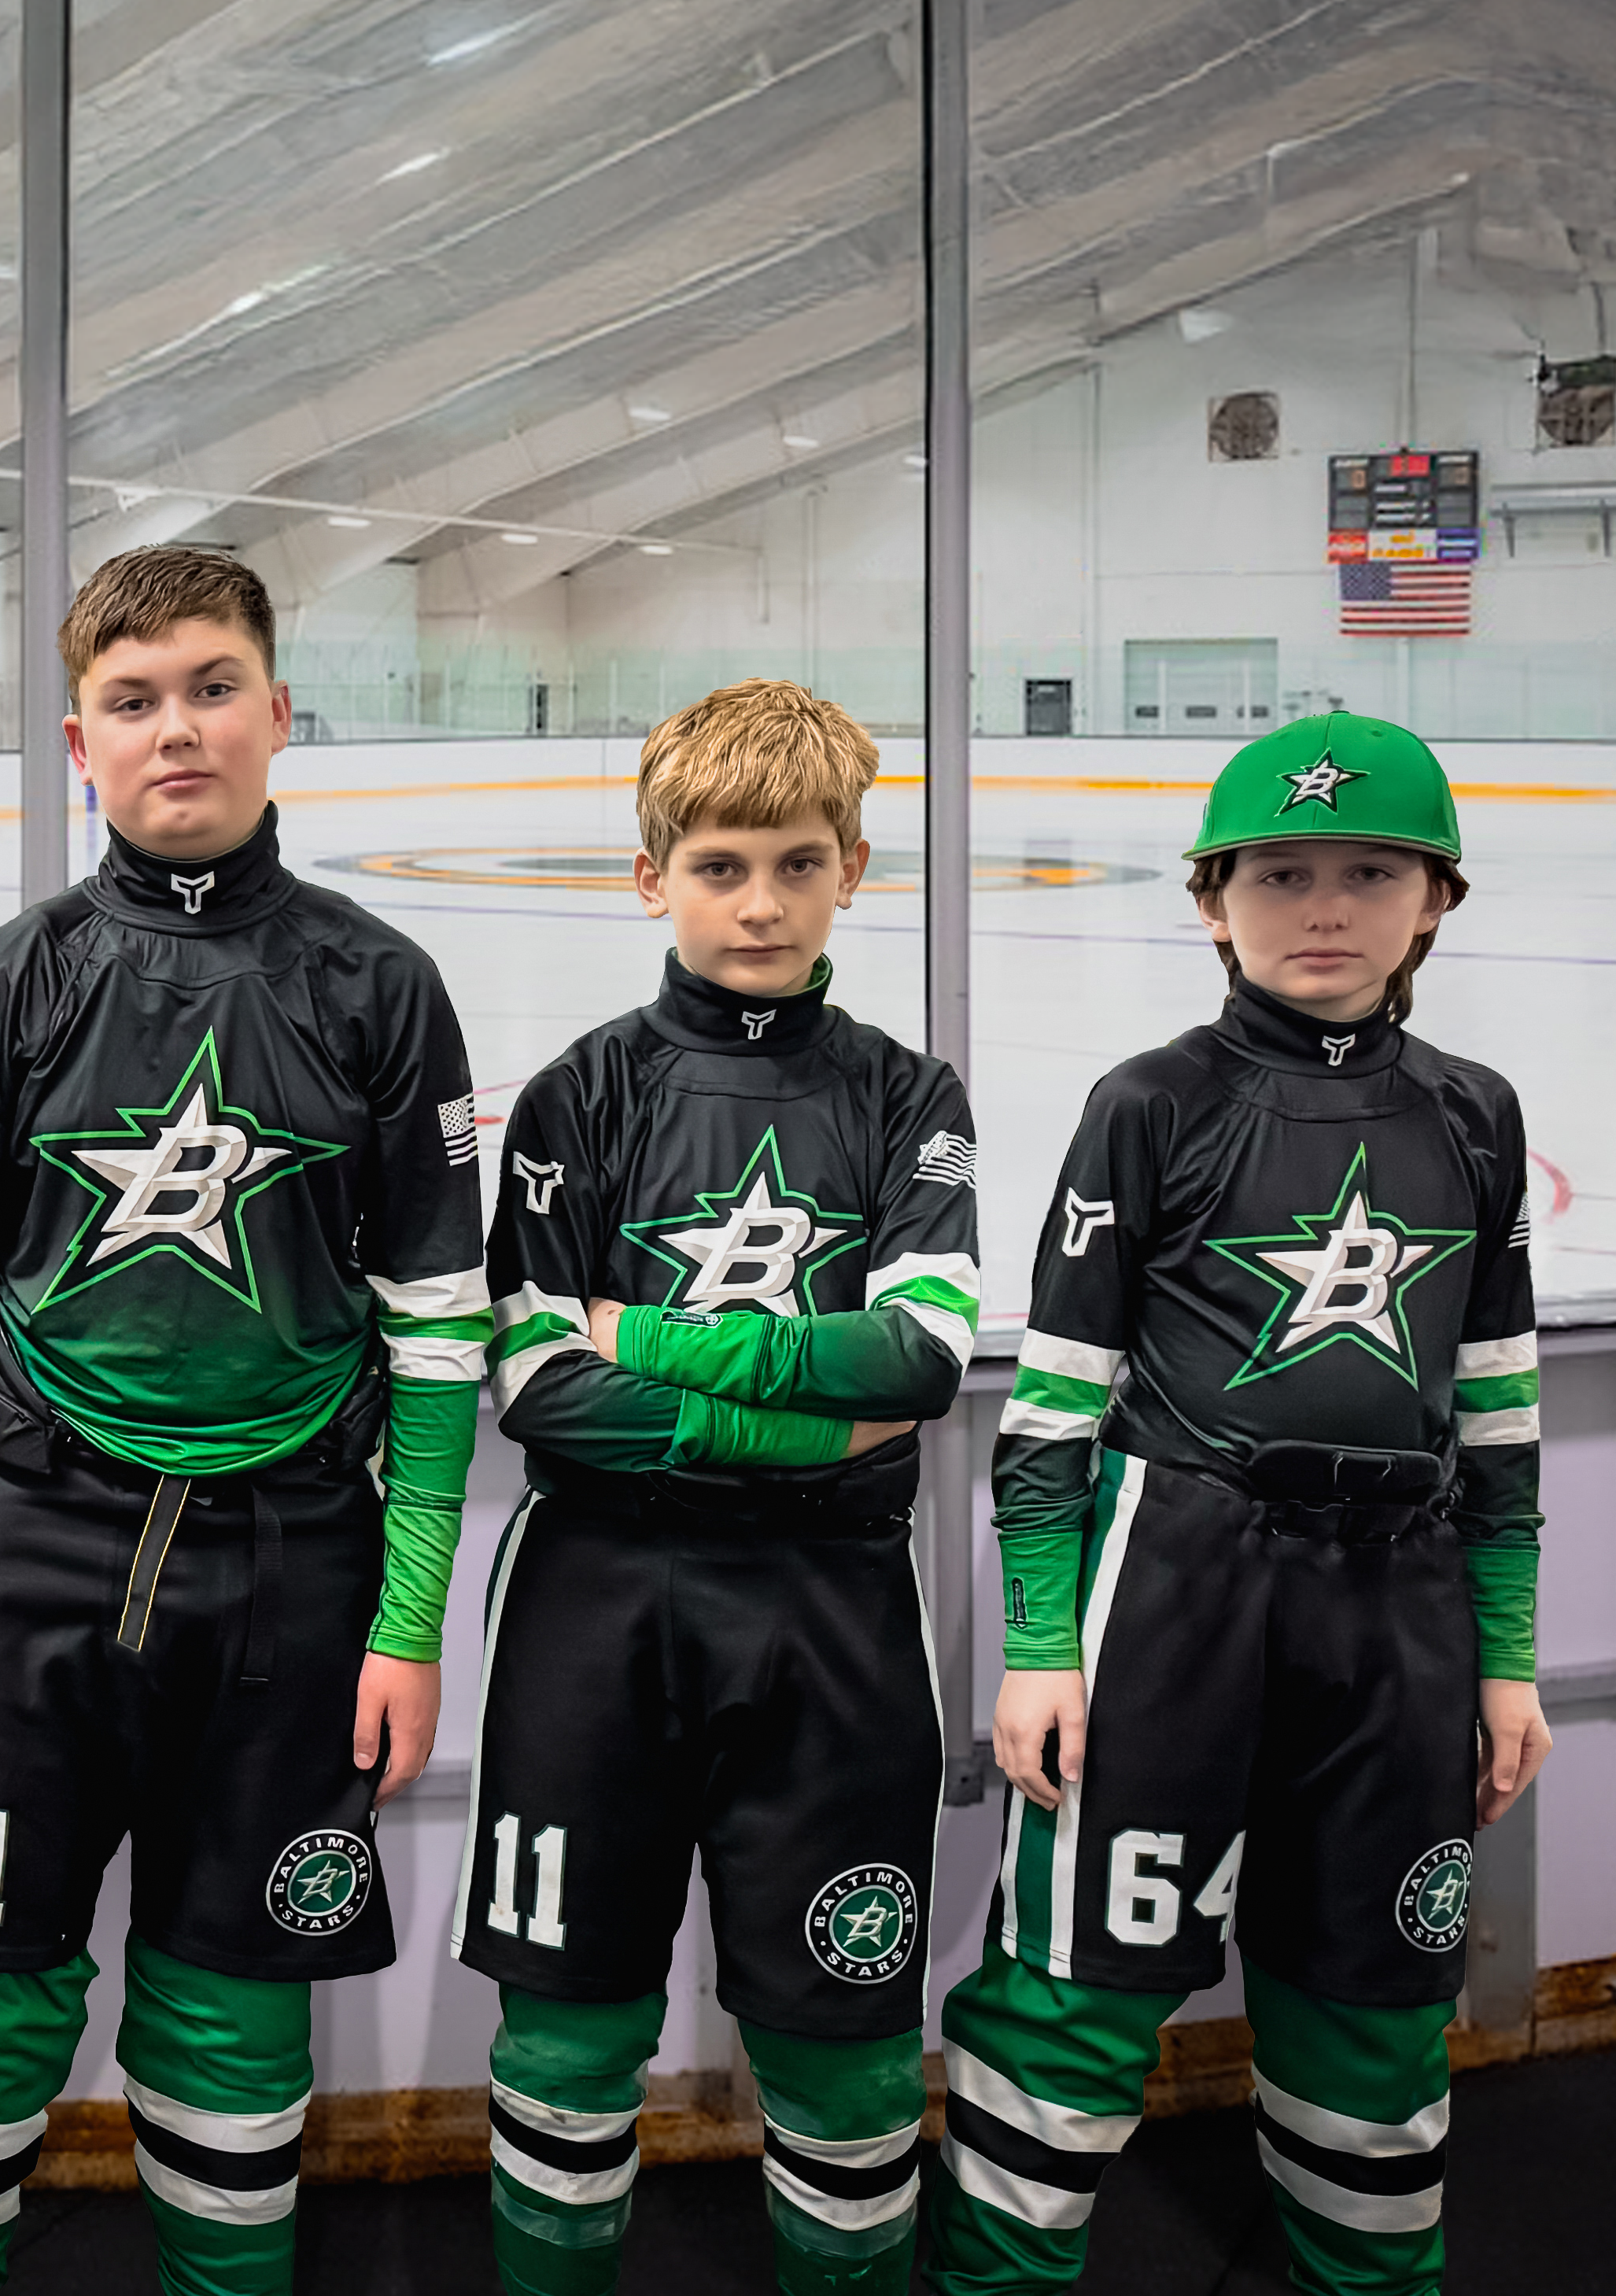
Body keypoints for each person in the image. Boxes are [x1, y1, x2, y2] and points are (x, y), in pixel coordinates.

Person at [0, 544, 491, 2296]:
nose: (175, 727)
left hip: (292, 1572)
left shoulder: (378, 986)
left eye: (211, 686)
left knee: (229, 2018)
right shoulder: (8, 978)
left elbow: (438, 1336)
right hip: (16, 1557)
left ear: (278, 711)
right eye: (132, 699)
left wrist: (410, 1619)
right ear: (78, 739)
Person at [928, 713, 1548, 2294]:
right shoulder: (1146, 1102)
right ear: (1210, 899)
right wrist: (1042, 1645)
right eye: (1278, 872)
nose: (1320, 905)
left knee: (1373, 1981)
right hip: (1171, 1585)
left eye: (1367, 870)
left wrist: (1501, 1655)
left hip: (1395, 1606)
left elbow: (1494, 1414)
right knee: (1075, 1975)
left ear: (1435, 900)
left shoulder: (1473, 1113)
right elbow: (1052, 1406)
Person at [459, 679, 976, 2296]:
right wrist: (801, 1421)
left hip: (832, 1619)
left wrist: (653, 1338)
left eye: (796, 863)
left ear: (852, 868)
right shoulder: (575, 1093)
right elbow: (541, 1390)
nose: (758, 901)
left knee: (841, 2040)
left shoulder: (907, 1098)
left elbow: (919, 1364)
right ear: (650, 876)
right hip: (593, 1606)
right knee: (566, 2021)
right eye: (720, 863)